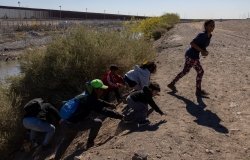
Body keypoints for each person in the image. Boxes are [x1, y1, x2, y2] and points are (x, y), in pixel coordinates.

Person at [54, 79, 124, 160]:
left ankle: (56, 158)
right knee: (97, 122)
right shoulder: (89, 99)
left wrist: (109, 104)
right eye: (101, 89)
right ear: (96, 90)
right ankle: (90, 143)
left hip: (64, 122)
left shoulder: (85, 94)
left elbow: (97, 101)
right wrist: (120, 116)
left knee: (67, 140)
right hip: (73, 124)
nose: (103, 91)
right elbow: (103, 111)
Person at [167, 20, 215, 97]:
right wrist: (202, 51)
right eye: (211, 25)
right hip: (191, 55)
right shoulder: (202, 35)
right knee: (200, 72)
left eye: (213, 25)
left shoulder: (209, 36)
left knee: (185, 71)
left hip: (192, 55)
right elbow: (192, 43)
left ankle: (172, 83)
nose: (212, 27)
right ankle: (198, 91)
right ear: (205, 26)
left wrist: (204, 51)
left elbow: (201, 46)